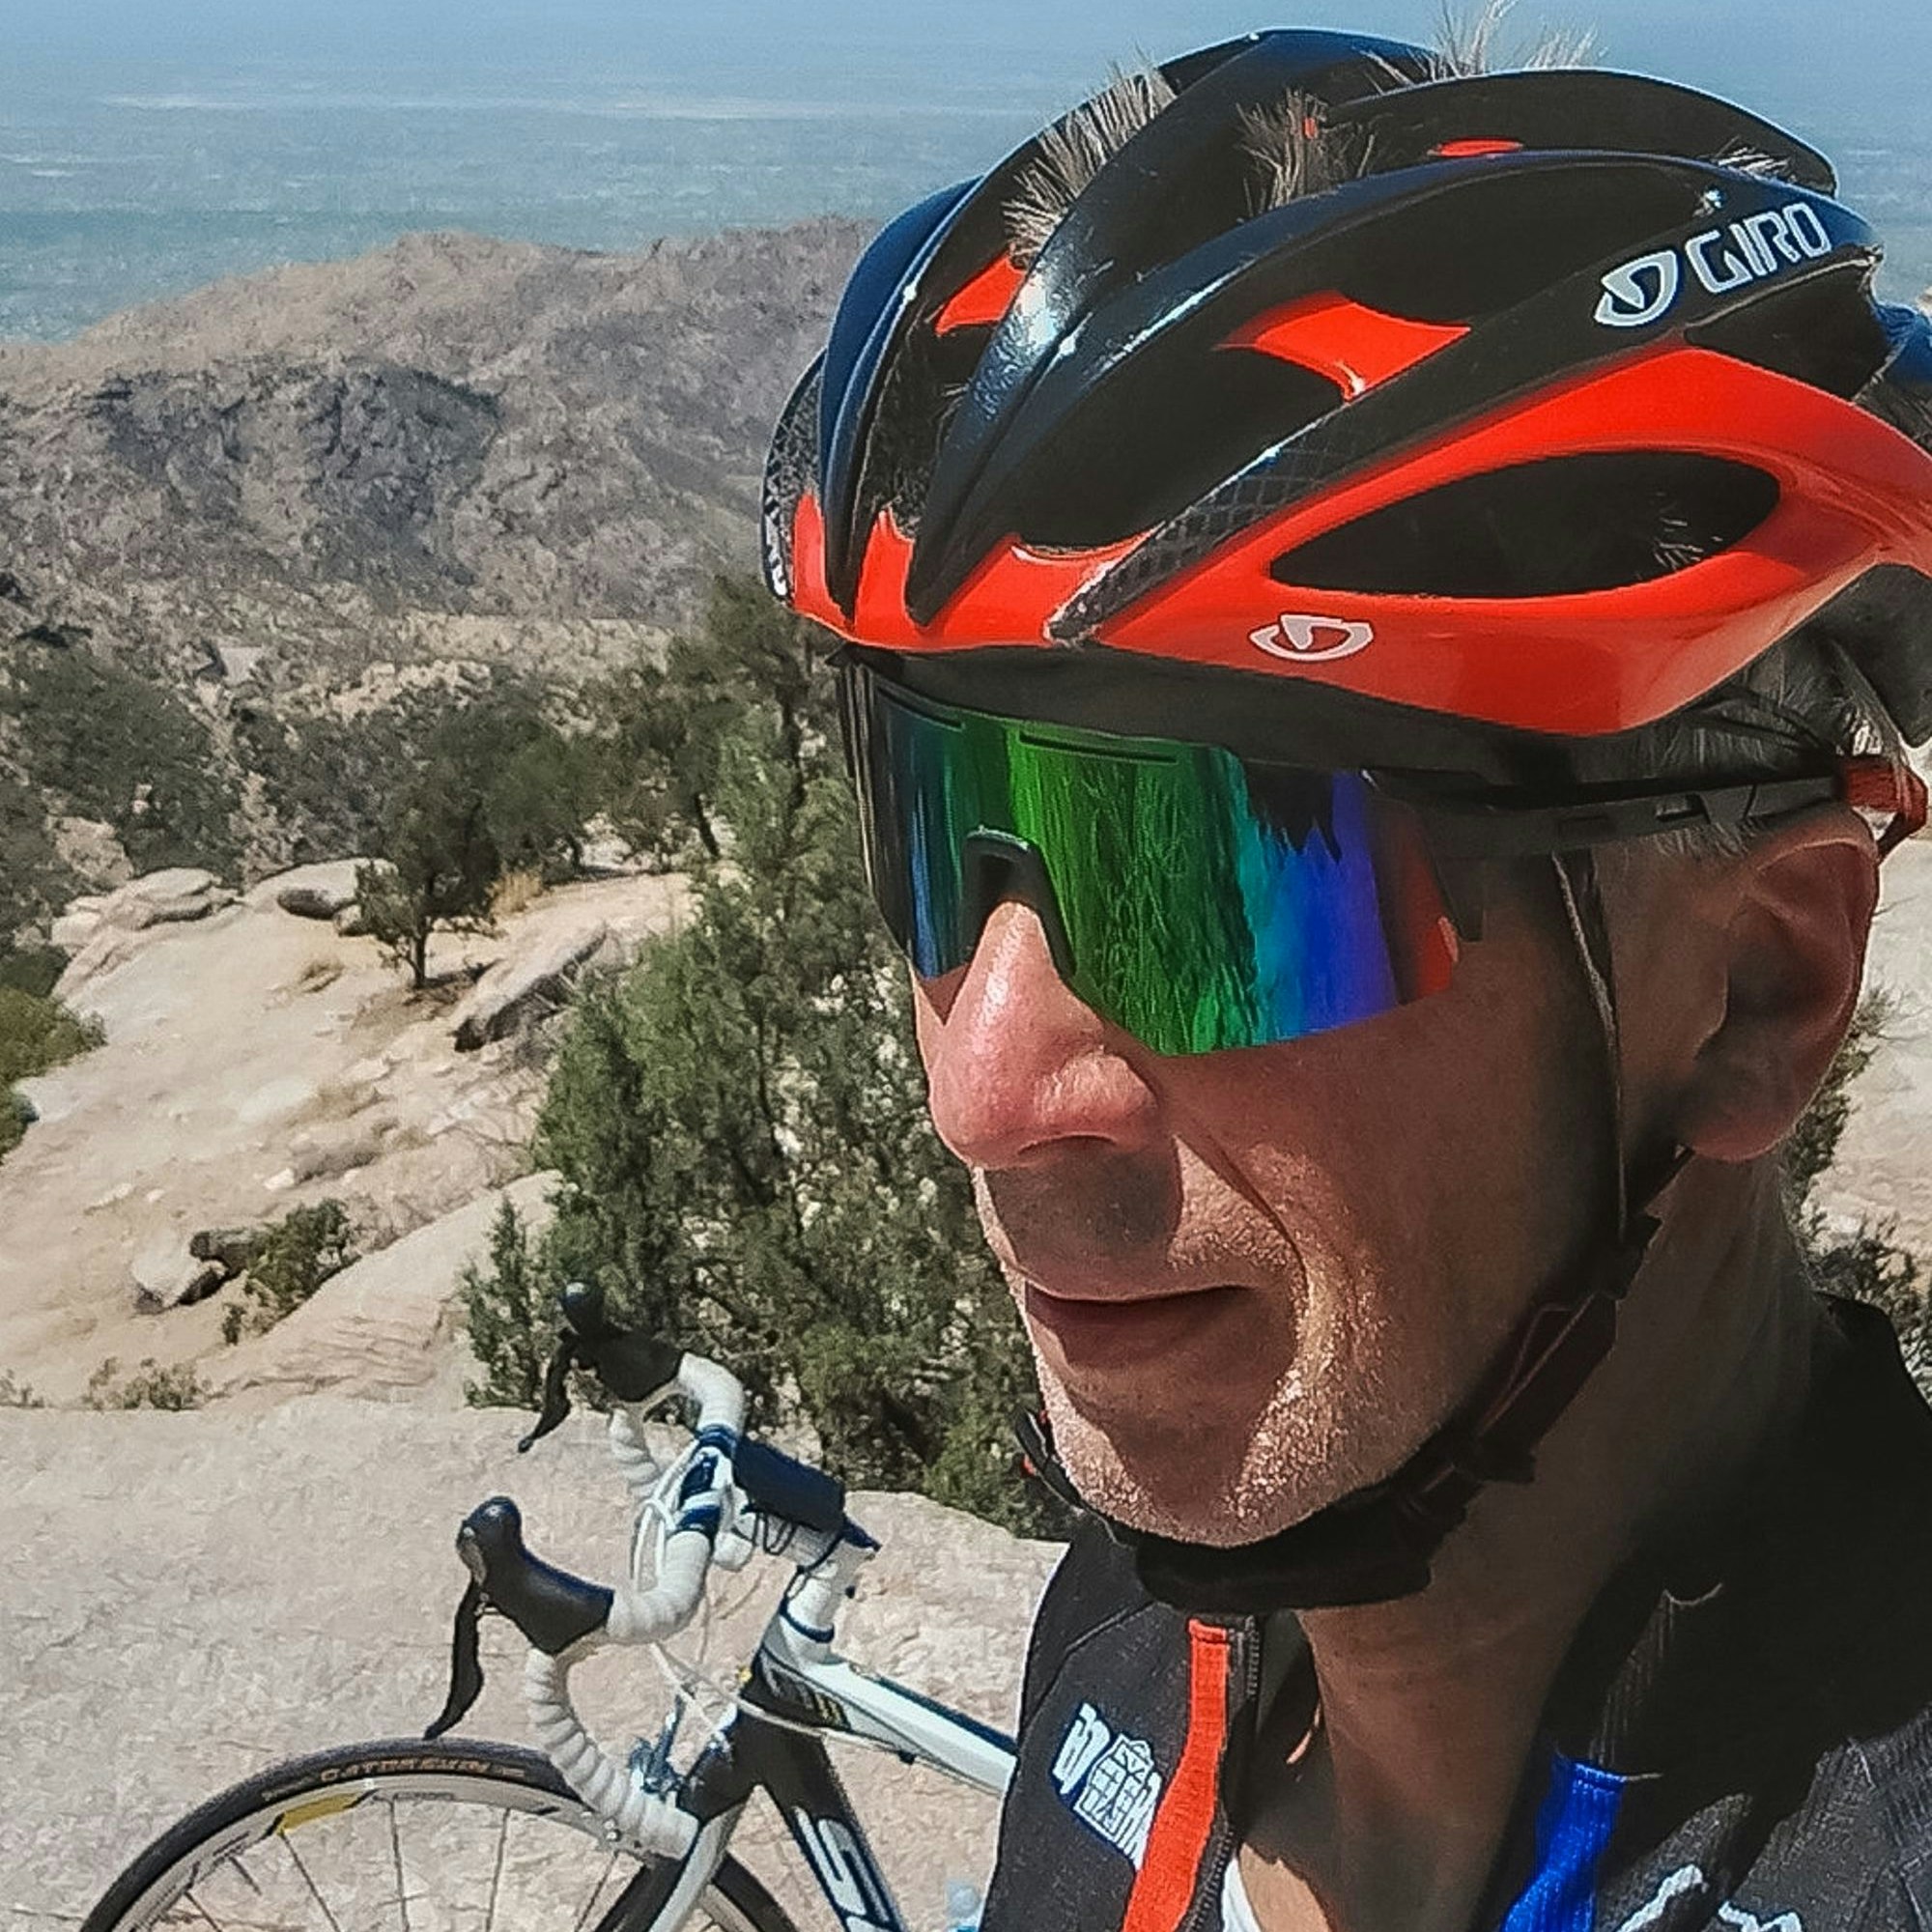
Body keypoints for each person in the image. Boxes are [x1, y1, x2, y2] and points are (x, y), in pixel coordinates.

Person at [760, 26, 1932, 1932]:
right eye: (932, 837)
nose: (981, 1090)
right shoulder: (1135, 1635)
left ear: (1756, 989)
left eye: (1219, 886)